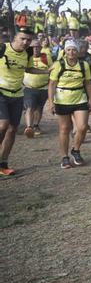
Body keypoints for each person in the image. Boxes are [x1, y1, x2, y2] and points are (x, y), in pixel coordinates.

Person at [0, 28, 49, 176]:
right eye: (22, 39)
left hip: (17, 94)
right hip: (1, 91)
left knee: (13, 129)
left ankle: (3, 164)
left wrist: (47, 71)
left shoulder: (27, 53)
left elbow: (29, 69)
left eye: (28, 40)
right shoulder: (3, 48)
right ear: (14, 38)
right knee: (3, 124)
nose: (26, 42)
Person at [47, 39, 91, 168]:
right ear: (65, 51)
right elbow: (52, 84)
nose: (71, 52)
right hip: (62, 99)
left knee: (83, 127)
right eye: (68, 50)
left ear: (78, 51)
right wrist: (51, 102)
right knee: (64, 129)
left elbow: (88, 82)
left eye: (74, 50)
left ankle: (76, 150)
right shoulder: (58, 64)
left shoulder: (84, 65)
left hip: (80, 98)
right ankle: (64, 157)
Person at [22, 37, 53, 138]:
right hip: (29, 87)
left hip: (43, 87)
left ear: (41, 48)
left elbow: (51, 70)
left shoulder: (46, 57)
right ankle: (29, 127)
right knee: (30, 107)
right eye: (33, 47)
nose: (35, 49)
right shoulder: (26, 56)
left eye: (37, 47)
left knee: (39, 108)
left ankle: (36, 125)